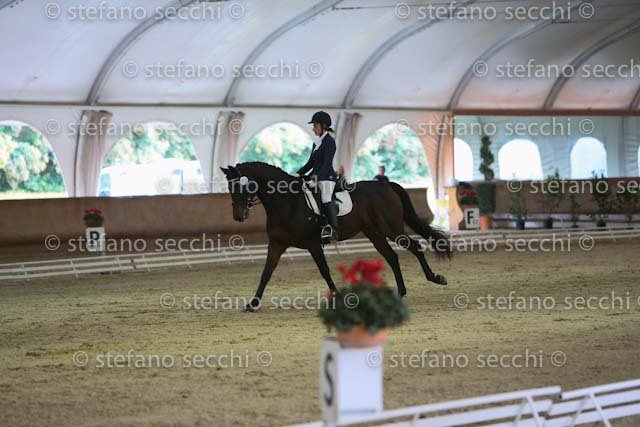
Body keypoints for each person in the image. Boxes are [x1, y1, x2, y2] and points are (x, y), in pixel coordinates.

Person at [296, 111, 339, 241]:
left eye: (315, 126)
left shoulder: (330, 141)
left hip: (327, 177)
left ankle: (332, 229)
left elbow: (327, 163)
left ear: (323, 126)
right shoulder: (316, 142)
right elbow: (310, 163)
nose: (313, 128)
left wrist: (316, 179)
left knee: (325, 198)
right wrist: (298, 173)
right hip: (315, 176)